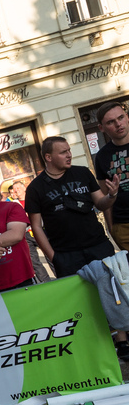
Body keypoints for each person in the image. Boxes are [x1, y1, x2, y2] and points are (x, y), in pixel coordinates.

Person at [25, 136, 117, 277]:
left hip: (98, 246)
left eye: (69, 150)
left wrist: (111, 195)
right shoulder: (35, 188)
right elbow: (36, 226)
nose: (69, 155)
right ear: (48, 157)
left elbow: (100, 203)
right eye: (63, 152)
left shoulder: (83, 173)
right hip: (66, 255)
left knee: (112, 286)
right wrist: (54, 258)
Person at [94, 101, 129, 250]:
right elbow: (105, 195)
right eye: (110, 122)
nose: (118, 124)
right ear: (101, 128)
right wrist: (111, 228)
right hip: (123, 225)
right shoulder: (102, 156)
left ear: (127, 117)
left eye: (120, 118)